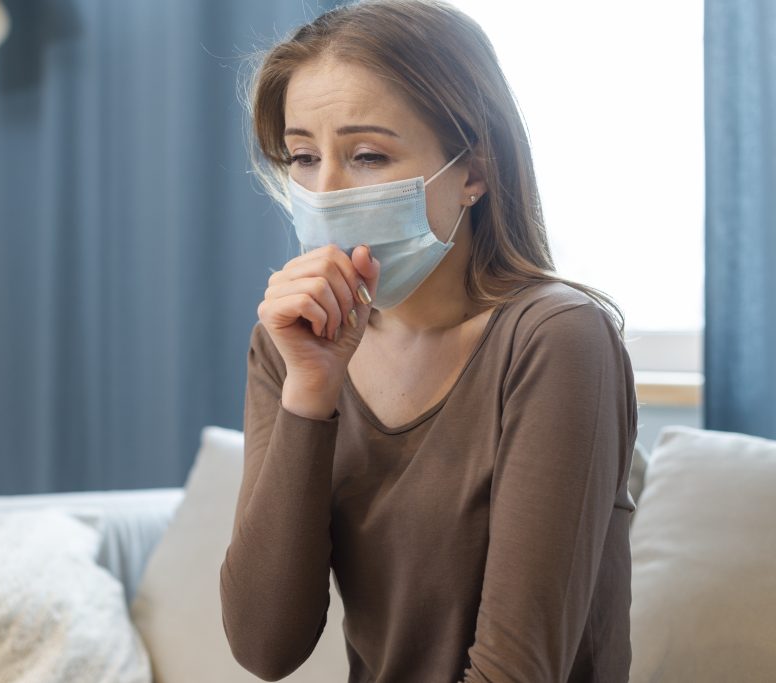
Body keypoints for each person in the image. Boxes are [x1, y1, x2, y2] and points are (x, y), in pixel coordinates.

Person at [219, 1, 638, 681]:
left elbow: (517, 670)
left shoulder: (557, 339)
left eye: (367, 155)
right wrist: (310, 392)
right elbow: (266, 646)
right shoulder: (287, 348)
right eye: (302, 155)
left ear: (473, 171)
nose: (323, 192)